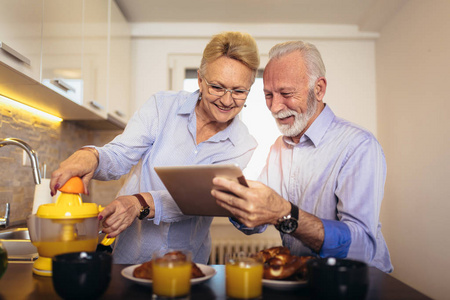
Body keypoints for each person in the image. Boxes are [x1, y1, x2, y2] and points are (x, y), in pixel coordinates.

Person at [50, 31, 260, 264]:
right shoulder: (163, 107)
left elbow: (199, 199)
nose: (227, 100)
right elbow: (121, 154)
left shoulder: (242, 144)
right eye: (217, 87)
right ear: (200, 80)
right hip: (130, 257)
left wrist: (139, 203)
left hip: (188, 264)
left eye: (239, 91)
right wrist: (90, 156)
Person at [211, 41, 393, 272]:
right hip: (306, 279)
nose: (275, 107)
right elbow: (257, 223)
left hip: (358, 283)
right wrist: (238, 204)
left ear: (318, 89)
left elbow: (362, 248)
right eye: (268, 95)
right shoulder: (279, 146)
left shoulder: (358, 145)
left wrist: (284, 213)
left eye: (286, 93)